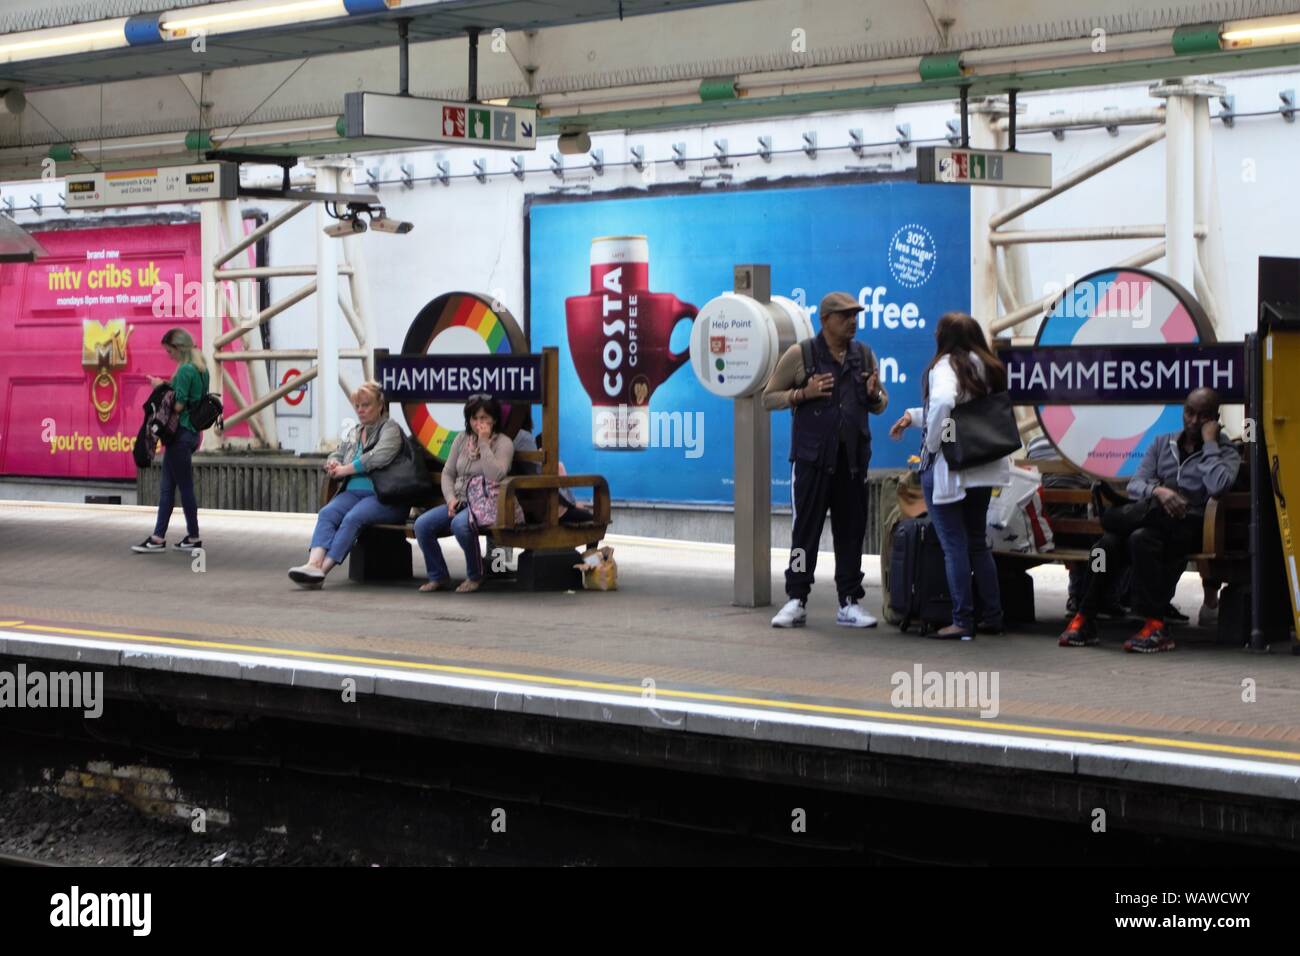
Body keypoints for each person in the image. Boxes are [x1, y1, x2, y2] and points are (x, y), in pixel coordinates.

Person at [1058, 387, 1240, 653]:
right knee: (1107, 545)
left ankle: (1155, 624)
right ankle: (1087, 616)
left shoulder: (1225, 451)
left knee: (1131, 529)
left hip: (1192, 523)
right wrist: (1160, 492)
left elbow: (1218, 487)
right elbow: (1136, 484)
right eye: (1189, 412)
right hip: (1150, 525)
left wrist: (1211, 444)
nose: (1193, 420)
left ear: (1215, 418)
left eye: (1203, 416)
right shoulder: (1161, 442)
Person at [763, 291, 889, 629]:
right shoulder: (800, 354)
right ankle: (796, 598)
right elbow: (768, 398)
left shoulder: (864, 355)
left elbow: (880, 404)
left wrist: (875, 394)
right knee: (805, 533)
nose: (852, 321)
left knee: (851, 533)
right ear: (825, 320)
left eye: (855, 315)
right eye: (845, 315)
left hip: (852, 462)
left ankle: (849, 601)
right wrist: (802, 393)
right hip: (812, 461)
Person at [889, 312, 1013, 640]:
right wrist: (915, 417)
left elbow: (944, 401)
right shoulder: (988, 365)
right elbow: (965, 412)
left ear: (945, 338)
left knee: (953, 544)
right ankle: (993, 615)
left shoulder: (946, 366)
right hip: (982, 466)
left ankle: (962, 619)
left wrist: (932, 443)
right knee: (976, 542)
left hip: (950, 468)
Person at [288, 382, 407, 588]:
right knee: (327, 513)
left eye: (366, 405)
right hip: (352, 493)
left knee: (353, 518)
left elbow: (376, 458)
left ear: (380, 405)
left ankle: (321, 571)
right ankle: (312, 563)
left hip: (380, 496)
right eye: (358, 406)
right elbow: (338, 452)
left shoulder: (391, 429)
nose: (360, 410)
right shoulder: (354, 431)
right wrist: (334, 462)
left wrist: (344, 470)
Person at [415, 394, 515, 593]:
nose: (479, 423)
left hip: (484, 502)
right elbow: (448, 472)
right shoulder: (462, 439)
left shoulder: (503, 443)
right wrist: (450, 499)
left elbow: (496, 475)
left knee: (460, 525)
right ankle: (438, 575)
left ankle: (475, 575)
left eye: (484, 418)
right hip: (459, 501)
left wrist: (484, 443)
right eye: (474, 418)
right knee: (422, 525)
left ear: (494, 419)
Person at [132, 328, 209, 554]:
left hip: (180, 434)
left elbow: (178, 405)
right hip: (193, 433)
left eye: (169, 351)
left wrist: (160, 388)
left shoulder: (185, 370)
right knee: (168, 487)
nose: (169, 356)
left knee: (182, 488)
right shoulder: (202, 368)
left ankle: (191, 537)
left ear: (178, 348)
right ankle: (159, 537)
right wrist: (168, 387)